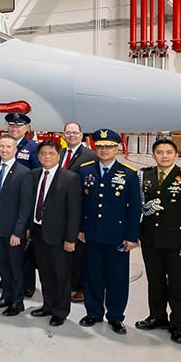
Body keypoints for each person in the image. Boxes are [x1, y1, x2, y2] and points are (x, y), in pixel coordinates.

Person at [136, 139, 181, 344]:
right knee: (154, 281)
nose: (164, 156)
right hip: (151, 240)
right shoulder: (145, 175)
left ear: (176, 155)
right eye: (159, 152)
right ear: (153, 155)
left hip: (177, 242)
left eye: (168, 152)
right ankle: (157, 317)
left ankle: (176, 324)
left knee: (176, 284)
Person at [77, 129, 142, 334]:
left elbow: (135, 208)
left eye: (109, 147)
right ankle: (94, 312)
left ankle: (115, 316)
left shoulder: (129, 174)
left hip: (117, 236)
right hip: (92, 234)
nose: (104, 150)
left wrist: (132, 236)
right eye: (101, 146)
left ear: (117, 148)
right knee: (92, 275)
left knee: (117, 277)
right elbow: (80, 203)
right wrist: (80, 229)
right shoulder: (85, 170)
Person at [28, 140, 81, 327]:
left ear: (58, 156)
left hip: (60, 237)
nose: (47, 157)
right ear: (38, 156)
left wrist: (70, 238)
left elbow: (75, 211)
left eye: (51, 153)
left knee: (62, 275)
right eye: (43, 154)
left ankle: (60, 311)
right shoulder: (34, 175)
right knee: (45, 272)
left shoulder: (70, 178)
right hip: (38, 233)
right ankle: (47, 305)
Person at [0, 134, 33, 317]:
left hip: (13, 231)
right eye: (1, 146)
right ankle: (6, 295)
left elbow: (25, 206)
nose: (4, 150)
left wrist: (18, 233)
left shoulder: (23, 173)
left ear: (15, 150)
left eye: (8, 147)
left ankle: (17, 301)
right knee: (2, 265)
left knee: (16, 267)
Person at [60, 122, 97, 303]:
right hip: (60, 211)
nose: (72, 135)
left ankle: (82, 287)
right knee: (64, 252)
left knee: (80, 252)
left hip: (80, 210)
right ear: (64, 135)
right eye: (68, 133)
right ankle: (69, 284)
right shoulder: (58, 154)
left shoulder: (90, 156)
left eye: (75, 133)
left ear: (81, 135)